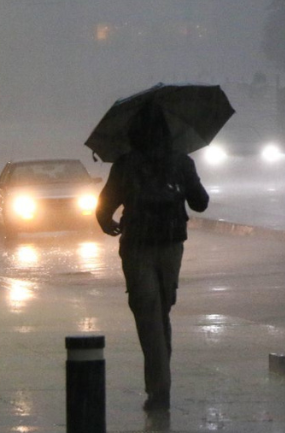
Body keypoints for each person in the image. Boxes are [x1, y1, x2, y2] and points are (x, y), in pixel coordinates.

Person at [96, 105, 209, 411]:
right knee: (161, 312)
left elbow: (104, 208)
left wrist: (110, 223)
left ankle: (159, 388)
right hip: (171, 244)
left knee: (148, 314)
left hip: (137, 245)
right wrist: (183, 180)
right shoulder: (181, 162)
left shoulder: (125, 164)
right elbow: (201, 203)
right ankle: (161, 383)